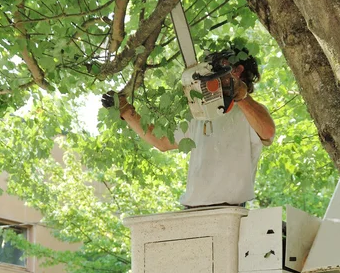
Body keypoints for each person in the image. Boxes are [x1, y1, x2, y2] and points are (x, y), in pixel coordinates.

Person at [102, 47, 275, 208]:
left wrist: (242, 97)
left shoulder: (250, 114)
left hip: (231, 210)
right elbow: (162, 142)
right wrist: (127, 112)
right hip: (193, 209)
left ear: (237, 71)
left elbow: (267, 131)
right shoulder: (200, 114)